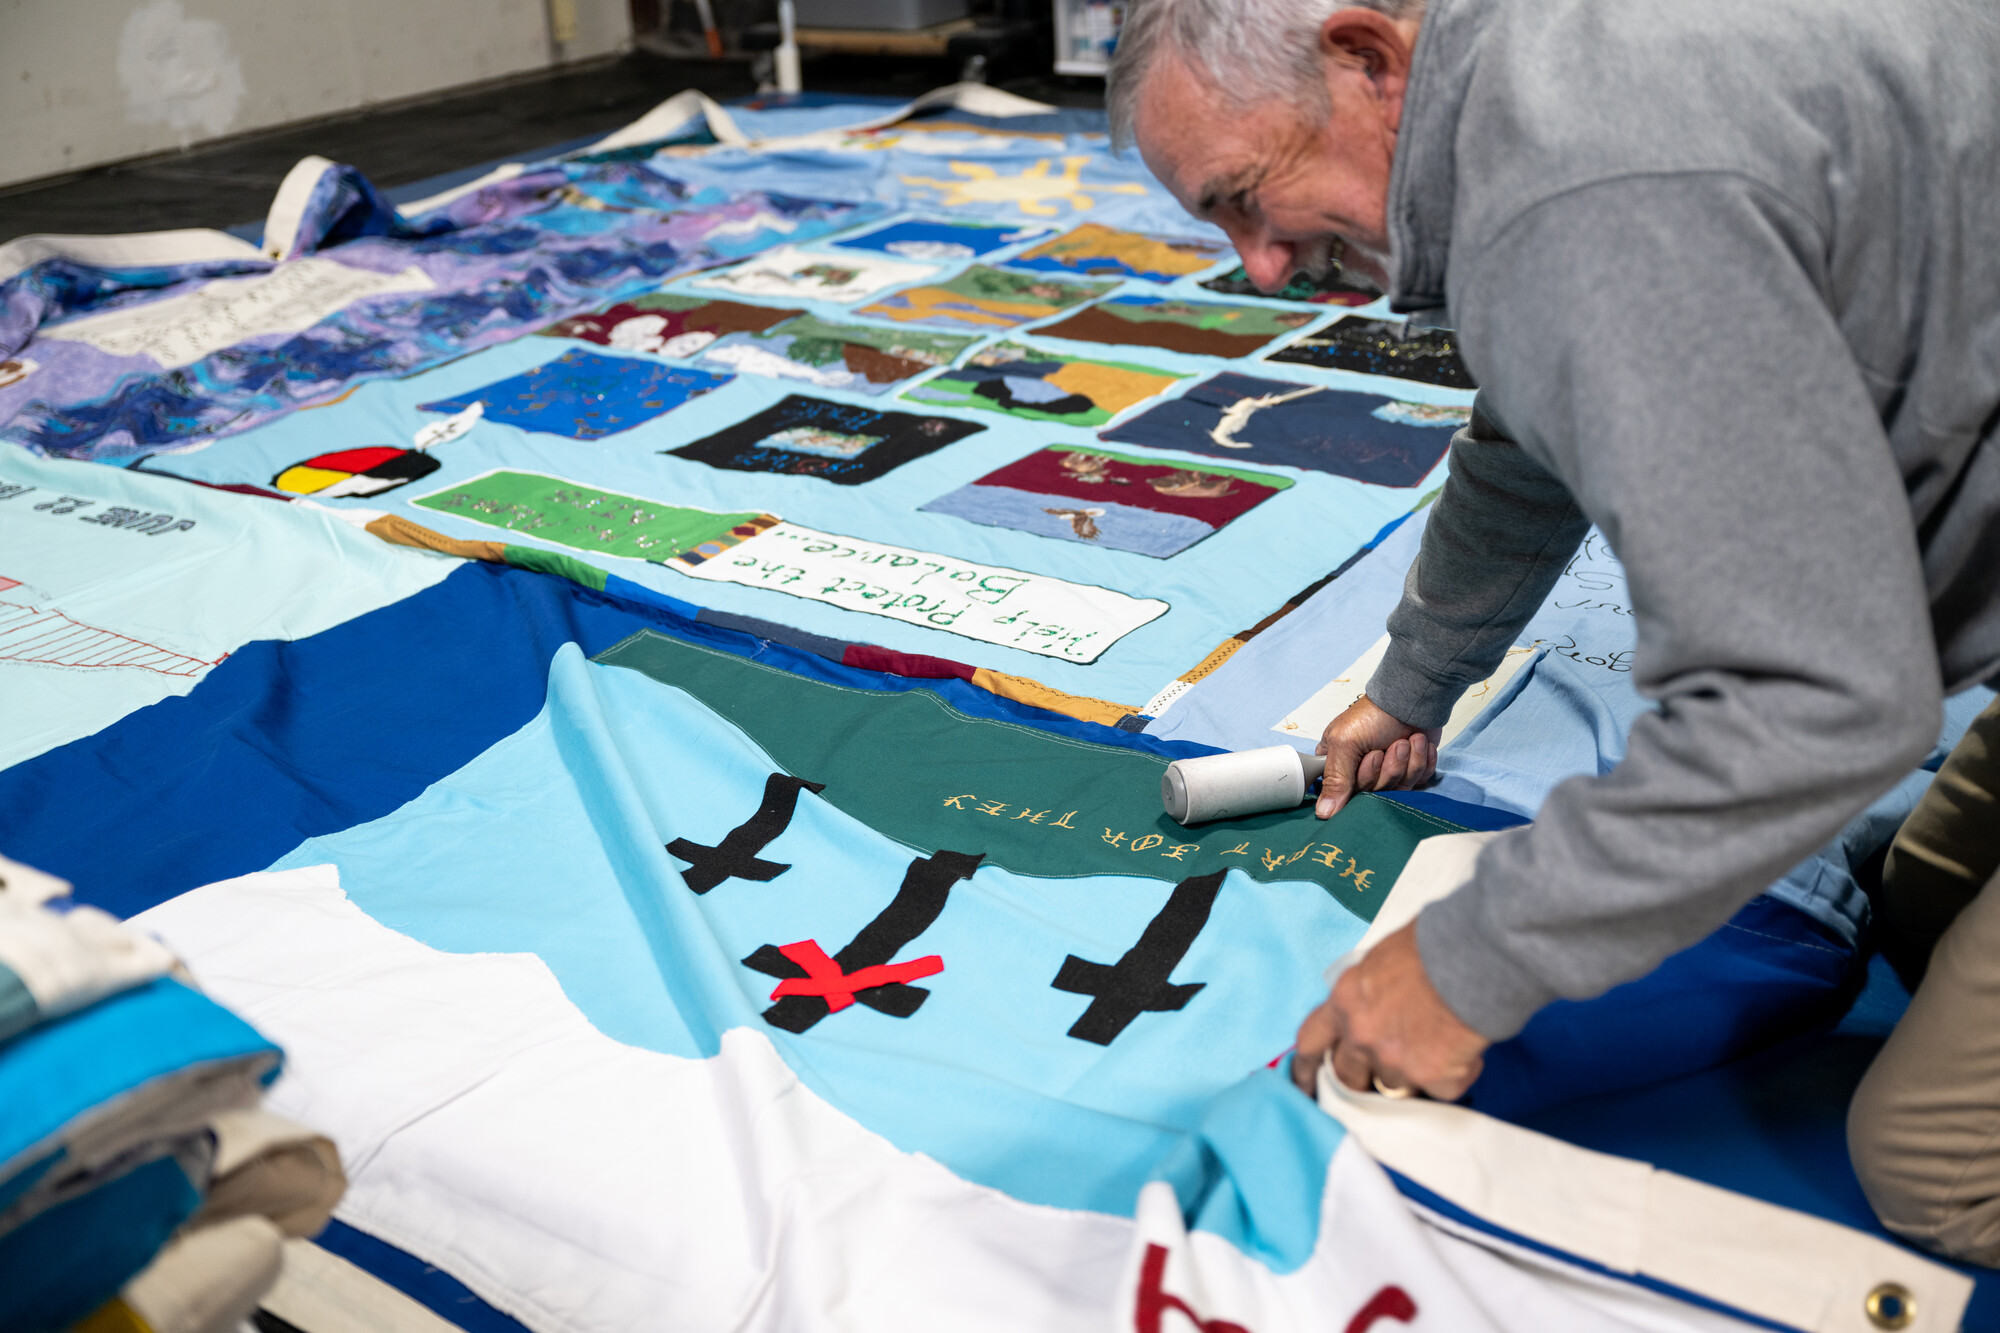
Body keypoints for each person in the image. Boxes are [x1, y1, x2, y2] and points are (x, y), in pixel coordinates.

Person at [1110, 0, 2000, 1264]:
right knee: (1915, 900)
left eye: (1248, 197)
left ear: (1364, 61)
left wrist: (1464, 966)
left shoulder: (1584, 189)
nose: (1262, 267)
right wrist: (1416, 680)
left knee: (1934, 1170)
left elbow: (1814, 703)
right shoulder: (1531, 74)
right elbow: (1529, 427)